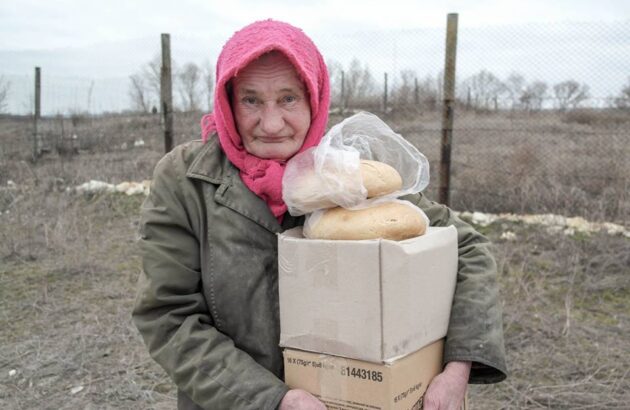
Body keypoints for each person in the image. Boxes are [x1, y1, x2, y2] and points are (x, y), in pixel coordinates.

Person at [132, 19, 507, 410]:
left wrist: (456, 369)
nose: (272, 123)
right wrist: (272, 400)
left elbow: (466, 248)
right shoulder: (185, 181)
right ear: (227, 102)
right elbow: (168, 315)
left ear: (315, 98)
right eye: (251, 100)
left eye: (289, 98)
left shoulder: (349, 173)